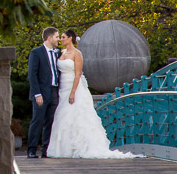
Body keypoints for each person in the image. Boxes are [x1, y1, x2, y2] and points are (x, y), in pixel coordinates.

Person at [47, 30, 140, 158]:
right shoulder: (61, 53)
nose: (61, 39)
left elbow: (78, 74)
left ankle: (77, 146)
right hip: (62, 87)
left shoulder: (77, 54)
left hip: (72, 86)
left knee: (73, 114)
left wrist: (73, 92)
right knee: (62, 116)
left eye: (63, 37)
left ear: (70, 38)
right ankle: (64, 148)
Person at [26, 27, 60, 158]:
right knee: (37, 121)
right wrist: (37, 94)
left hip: (54, 92)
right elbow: (32, 75)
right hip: (41, 93)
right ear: (49, 38)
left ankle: (46, 150)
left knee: (50, 122)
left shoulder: (57, 53)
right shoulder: (36, 52)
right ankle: (31, 150)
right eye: (57, 37)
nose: (58, 40)